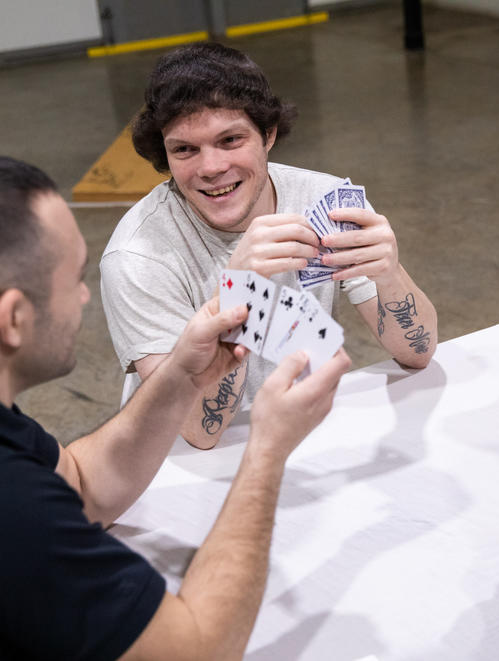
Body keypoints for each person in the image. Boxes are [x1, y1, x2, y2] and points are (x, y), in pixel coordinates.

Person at [0, 155, 351, 659]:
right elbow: (197, 648)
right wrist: (267, 451)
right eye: (73, 280)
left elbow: (81, 483)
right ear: (12, 318)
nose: (83, 297)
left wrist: (181, 377)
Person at [100, 42, 437, 450]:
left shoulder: (324, 201)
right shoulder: (139, 256)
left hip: (302, 431)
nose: (211, 168)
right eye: (185, 149)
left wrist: (390, 273)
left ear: (269, 135)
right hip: (183, 466)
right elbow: (202, 432)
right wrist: (236, 290)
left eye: (230, 140)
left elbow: (418, 353)